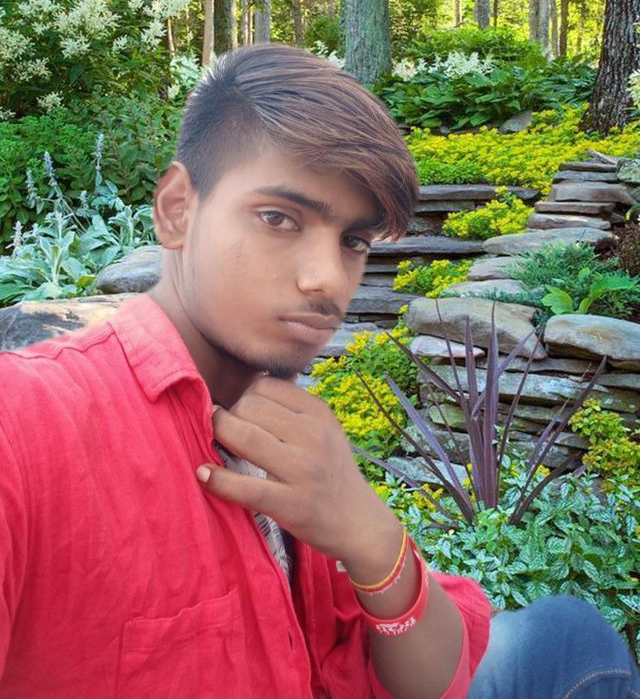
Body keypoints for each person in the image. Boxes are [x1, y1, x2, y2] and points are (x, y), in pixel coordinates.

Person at [0, 44, 637, 699]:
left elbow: (433, 677)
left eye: (353, 241)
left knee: (572, 636)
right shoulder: (27, 423)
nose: (329, 278)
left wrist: (367, 532)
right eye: (279, 218)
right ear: (177, 210)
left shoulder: (289, 428)